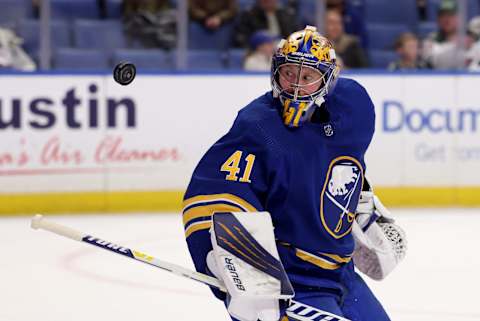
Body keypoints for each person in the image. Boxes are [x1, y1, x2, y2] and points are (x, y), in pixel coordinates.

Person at [183, 25, 407, 321]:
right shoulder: (259, 127)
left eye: (308, 77)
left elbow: (342, 160)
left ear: (328, 81)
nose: (296, 86)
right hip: (295, 283)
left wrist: (360, 201)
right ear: (275, 71)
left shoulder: (354, 108)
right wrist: (233, 266)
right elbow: (212, 198)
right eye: (289, 73)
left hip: (342, 275)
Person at [234, 0, 300, 48]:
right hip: (261, 49)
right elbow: (243, 39)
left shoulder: (285, 15)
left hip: (283, 47)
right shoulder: (249, 16)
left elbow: (294, 35)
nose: (268, 1)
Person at [422, 0, 464, 69]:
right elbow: (434, 63)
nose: (447, 20)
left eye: (451, 15)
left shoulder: (470, 39)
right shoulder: (430, 40)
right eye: (443, 16)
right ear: (438, 19)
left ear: (458, 18)